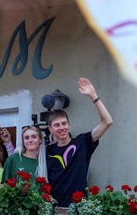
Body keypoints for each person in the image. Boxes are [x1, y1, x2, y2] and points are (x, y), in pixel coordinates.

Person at [46, 77, 113, 206]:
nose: (61, 128)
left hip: (78, 208)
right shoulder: (47, 151)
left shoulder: (82, 142)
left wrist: (93, 96)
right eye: (57, 125)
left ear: (69, 125)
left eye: (64, 123)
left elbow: (107, 121)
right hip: (53, 209)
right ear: (50, 129)